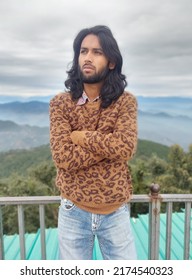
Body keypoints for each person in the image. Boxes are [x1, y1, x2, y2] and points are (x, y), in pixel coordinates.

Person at [49, 25, 138, 260]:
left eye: (97, 52)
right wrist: (108, 145)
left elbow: (125, 147)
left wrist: (79, 136)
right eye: (83, 51)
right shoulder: (60, 103)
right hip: (73, 212)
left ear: (111, 61)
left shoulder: (125, 103)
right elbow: (63, 157)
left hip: (115, 212)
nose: (88, 57)